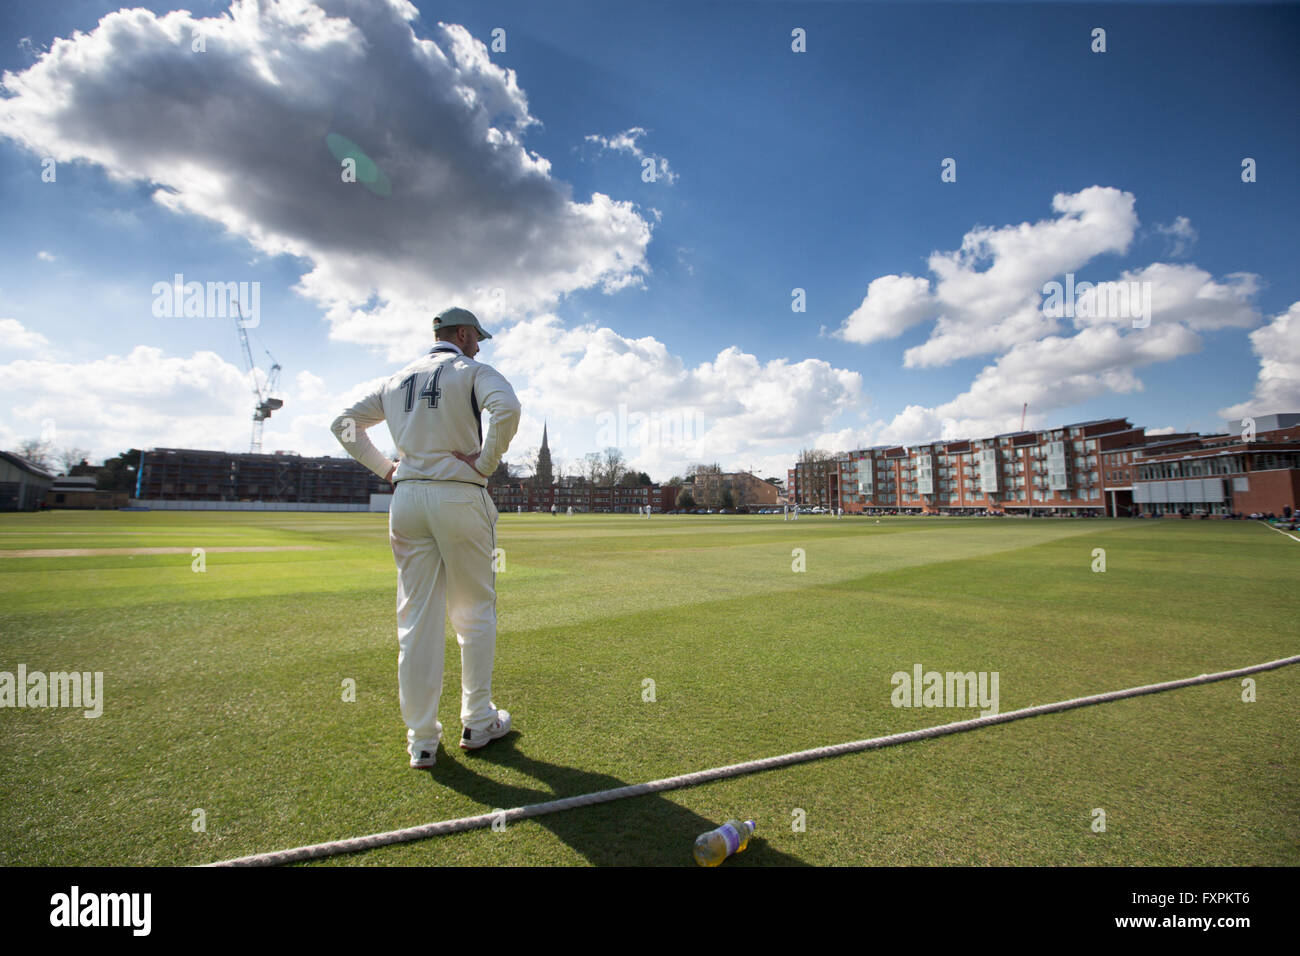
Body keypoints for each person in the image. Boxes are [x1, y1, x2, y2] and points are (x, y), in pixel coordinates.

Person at [330, 306, 521, 769]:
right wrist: (484, 462)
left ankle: (421, 740)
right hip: (459, 494)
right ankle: (477, 721)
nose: (479, 344)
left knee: (415, 619)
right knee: (473, 611)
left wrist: (387, 469)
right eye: (477, 337)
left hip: (408, 500)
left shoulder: (396, 380)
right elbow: (508, 408)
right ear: (461, 333)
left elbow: (344, 424)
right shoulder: (473, 370)